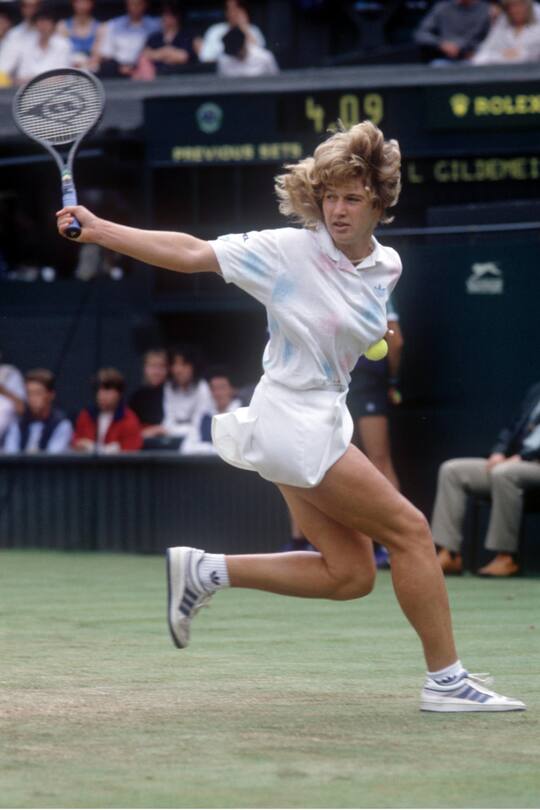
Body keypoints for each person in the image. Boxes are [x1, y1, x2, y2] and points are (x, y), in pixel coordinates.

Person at [57, 120, 525, 712]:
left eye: (352, 197)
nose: (337, 209)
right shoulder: (287, 251)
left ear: (379, 202)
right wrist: (100, 231)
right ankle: (446, 681)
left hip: (321, 417)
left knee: (351, 574)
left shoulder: (389, 266)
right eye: (329, 195)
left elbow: (355, 325)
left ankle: (206, 571)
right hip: (289, 417)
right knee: (410, 533)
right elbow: (193, 252)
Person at [432, 380, 540, 578]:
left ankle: (505, 557)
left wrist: (524, 457)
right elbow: (513, 427)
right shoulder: (536, 389)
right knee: (452, 470)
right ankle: (449, 553)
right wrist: (498, 452)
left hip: (531, 463)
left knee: (505, 474)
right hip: (515, 462)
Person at [348, 295, 403, 568]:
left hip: (344, 376)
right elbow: (396, 341)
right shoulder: (379, 284)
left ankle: (386, 543)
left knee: (340, 462)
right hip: (364, 380)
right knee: (377, 461)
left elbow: (395, 340)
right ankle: (391, 542)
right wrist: (390, 380)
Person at [73, 367, 143, 453]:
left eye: (107, 390)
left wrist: (93, 447)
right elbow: (76, 443)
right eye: (98, 390)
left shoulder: (129, 419)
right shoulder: (85, 415)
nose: (101, 395)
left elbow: (131, 451)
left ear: (119, 393)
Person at [2, 369, 72, 453]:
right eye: (29, 393)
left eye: (38, 393)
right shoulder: (17, 425)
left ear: (51, 395)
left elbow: (52, 459)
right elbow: (11, 455)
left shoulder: (62, 425)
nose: (33, 399)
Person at [180, 366, 242, 455]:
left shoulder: (242, 414)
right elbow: (186, 447)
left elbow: (235, 451)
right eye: (213, 388)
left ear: (232, 390)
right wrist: (210, 449)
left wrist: (201, 447)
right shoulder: (203, 415)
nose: (217, 393)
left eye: (222, 387)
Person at [161, 345, 215, 445]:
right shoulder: (168, 387)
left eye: (183, 364)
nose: (178, 370)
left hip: (199, 445)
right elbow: (168, 421)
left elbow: (198, 428)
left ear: (193, 367)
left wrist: (170, 430)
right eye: (175, 364)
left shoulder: (202, 388)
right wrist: (167, 430)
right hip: (174, 442)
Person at [95, 0, 160, 78]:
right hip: (117, 69)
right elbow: (106, 53)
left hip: (144, 68)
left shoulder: (156, 26)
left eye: (138, 4)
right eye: (132, 4)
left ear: (145, 5)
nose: (135, 7)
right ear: (127, 5)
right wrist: (121, 67)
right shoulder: (114, 25)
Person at [11, 3, 72, 84]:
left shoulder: (64, 45)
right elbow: (21, 76)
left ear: (53, 24)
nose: (43, 25)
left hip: (56, 93)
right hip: (28, 93)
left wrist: (32, 80)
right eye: (40, 21)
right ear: (36, 23)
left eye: (47, 21)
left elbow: (61, 77)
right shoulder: (26, 44)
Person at [414, 0, 491, 64]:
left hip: (477, 58)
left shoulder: (488, 10)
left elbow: (494, 38)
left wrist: (474, 50)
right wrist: (441, 44)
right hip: (445, 59)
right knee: (437, 66)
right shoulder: (442, 8)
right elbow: (421, 34)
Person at [137, 2, 197, 79]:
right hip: (156, 77)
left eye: (169, 15)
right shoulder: (154, 37)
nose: (165, 18)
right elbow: (146, 54)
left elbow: (183, 57)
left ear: (176, 18)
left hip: (181, 76)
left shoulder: (186, 36)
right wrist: (166, 51)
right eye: (163, 15)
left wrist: (158, 55)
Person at [472, 0, 540, 64]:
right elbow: (480, 57)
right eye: (511, 7)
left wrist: (522, 54)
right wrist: (502, 55)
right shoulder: (500, 29)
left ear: (528, 7)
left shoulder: (537, 29)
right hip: (503, 73)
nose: (515, 10)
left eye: (519, 5)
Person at [196, 0, 265, 63]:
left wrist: (244, 28)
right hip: (224, 73)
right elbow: (205, 57)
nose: (233, 13)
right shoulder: (215, 30)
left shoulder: (253, 30)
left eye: (236, 9)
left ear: (243, 11)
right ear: (226, 12)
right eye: (230, 9)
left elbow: (262, 56)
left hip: (249, 73)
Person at [128, 348, 168, 446]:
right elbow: (129, 430)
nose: (157, 372)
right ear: (145, 369)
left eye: (161, 367)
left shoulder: (173, 394)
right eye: (153, 366)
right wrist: (147, 431)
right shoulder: (137, 397)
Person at [0, 0, 41, 83]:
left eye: (34, 6)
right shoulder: (14, 34)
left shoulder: (59, 36)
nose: (31, 10)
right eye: (26, 6)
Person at [57, 0, 104, 71]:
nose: (82, 6)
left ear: (91, 4)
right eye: (79, 2)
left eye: (85, 2)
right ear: (73, 3)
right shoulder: (63, 25)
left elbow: (97, 55)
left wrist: (86, 64)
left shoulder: (100, 27)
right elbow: (61, 53)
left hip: (91, 69)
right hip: (69, 68)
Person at [0, 352, 26, 441]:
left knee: (5, 405)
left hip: (8, 439)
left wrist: (3, 390)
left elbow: (22, 409)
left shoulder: (9, 373)